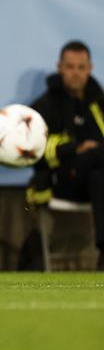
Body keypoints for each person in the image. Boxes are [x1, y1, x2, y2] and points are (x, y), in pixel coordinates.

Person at [28, 41, 104, 270]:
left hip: (94, 182)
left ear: (90, 68)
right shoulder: (45, 104)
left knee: (99, 175)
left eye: (81, 67)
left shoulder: (99, 103)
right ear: (59, 67)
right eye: (70, 67)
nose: (75, 73)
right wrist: (75, 148)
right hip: (60, 178)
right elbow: (34, 149)